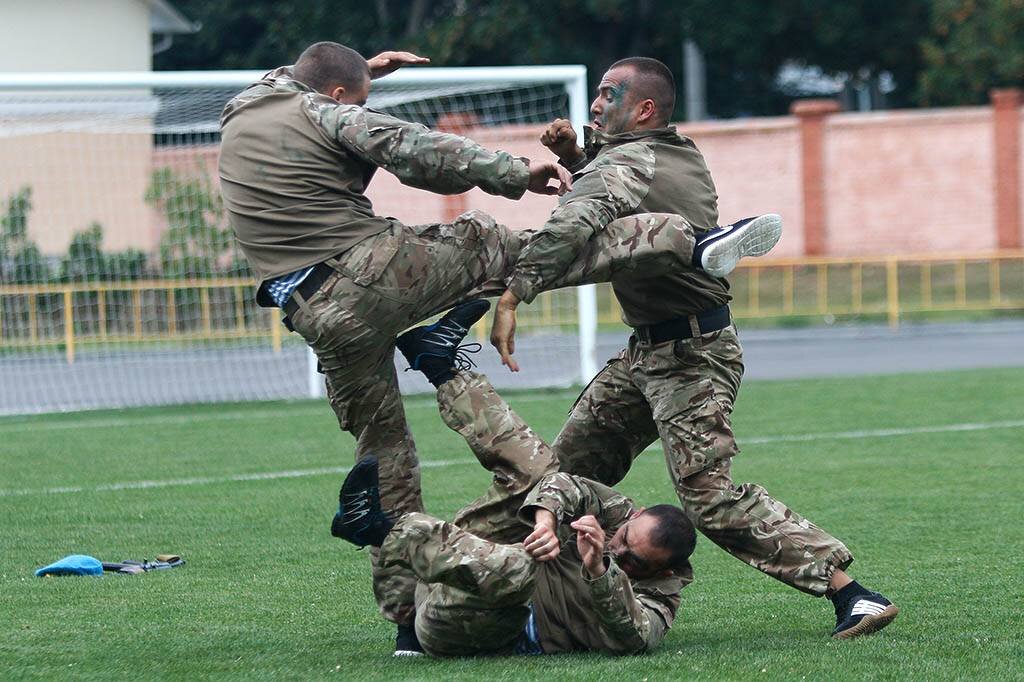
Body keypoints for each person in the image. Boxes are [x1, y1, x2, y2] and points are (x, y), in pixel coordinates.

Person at [219, 41, 780, 653]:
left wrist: (365, 73)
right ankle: (686, 241)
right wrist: (518, 174)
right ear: (334, 97)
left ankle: (406, 622)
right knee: (499, 243)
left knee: (381, 451)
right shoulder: (330, 112)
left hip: (311, 311)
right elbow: (413, 149)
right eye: (357, 96)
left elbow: (299, 78)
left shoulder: (247, 104)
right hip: (365, 272)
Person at [489, 57, 898, 639]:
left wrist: (515, 292)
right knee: (561, 478)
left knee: (707, 498)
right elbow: (616, 186)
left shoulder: (632, 159)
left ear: (645, 108)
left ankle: (852, 594)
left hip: (691, 356)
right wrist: (578, 158)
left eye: (609, 95)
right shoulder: (673, 153)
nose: (595, 104)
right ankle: (514, 601)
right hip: (646, 354)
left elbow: (580, 217)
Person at [330, 304, 698, 656]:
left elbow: (635, 638)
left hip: (466, 622)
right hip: (461, 562)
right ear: (637, 517)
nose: (617, 551)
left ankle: (378, 531)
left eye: (633, 561)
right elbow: (566, 485)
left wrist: (599, 571)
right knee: (539, 471)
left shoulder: (660, 593)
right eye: (622, 540)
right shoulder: (620, 515)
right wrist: (547, 520)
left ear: (662, 569)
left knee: (522, 569)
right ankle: (439, 366)